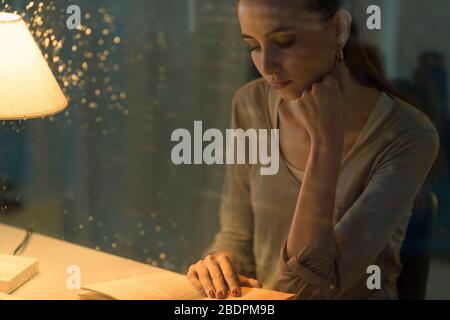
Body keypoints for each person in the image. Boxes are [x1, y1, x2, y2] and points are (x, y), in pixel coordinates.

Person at [186, 0, 440, 300]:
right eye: (253, 46)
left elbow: (308, 289)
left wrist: (325, 145)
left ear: (338, 29)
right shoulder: (250, 104)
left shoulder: (409, 135)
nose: (267, 67)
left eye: (285, 41)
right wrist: (219, 263)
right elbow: (237, 235)